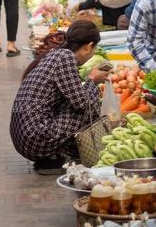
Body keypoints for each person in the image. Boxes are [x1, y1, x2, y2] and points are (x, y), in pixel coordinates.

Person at [10, 20, 107, 174]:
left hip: (24, 136)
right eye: (93, 48)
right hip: (35, 137)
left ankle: (55, 157)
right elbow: (82, 104)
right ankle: (77, 149)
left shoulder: (56, 54)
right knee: (89, 103)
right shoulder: (65, 57)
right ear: (88, 46)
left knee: (77, 101)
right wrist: (92, 80)